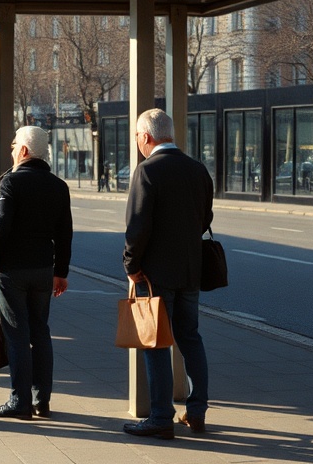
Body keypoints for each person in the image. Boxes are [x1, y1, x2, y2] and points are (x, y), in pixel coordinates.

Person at [122, 108, 214, 439]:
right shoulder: (197, 169)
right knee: (191, 338)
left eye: (136, 136)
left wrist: (131, 266)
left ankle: (161, 417)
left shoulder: (147, 171)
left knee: (156, 343)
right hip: (190, 271)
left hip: (154, 275)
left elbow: (137, 227)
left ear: (146, 137)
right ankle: (197, 411)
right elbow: (204, 218)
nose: (137, 142)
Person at [0, 125, 73, 420]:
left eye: (13, 146)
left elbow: (0, 226)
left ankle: (19, 401)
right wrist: (60, 271)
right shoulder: (59, 186)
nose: (11, 151)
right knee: (41, 331)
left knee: (16, 335)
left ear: (23, 150)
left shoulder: (10, 182)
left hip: (13, 270)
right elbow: (65, 234)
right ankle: (41, 401)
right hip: (43, 270)